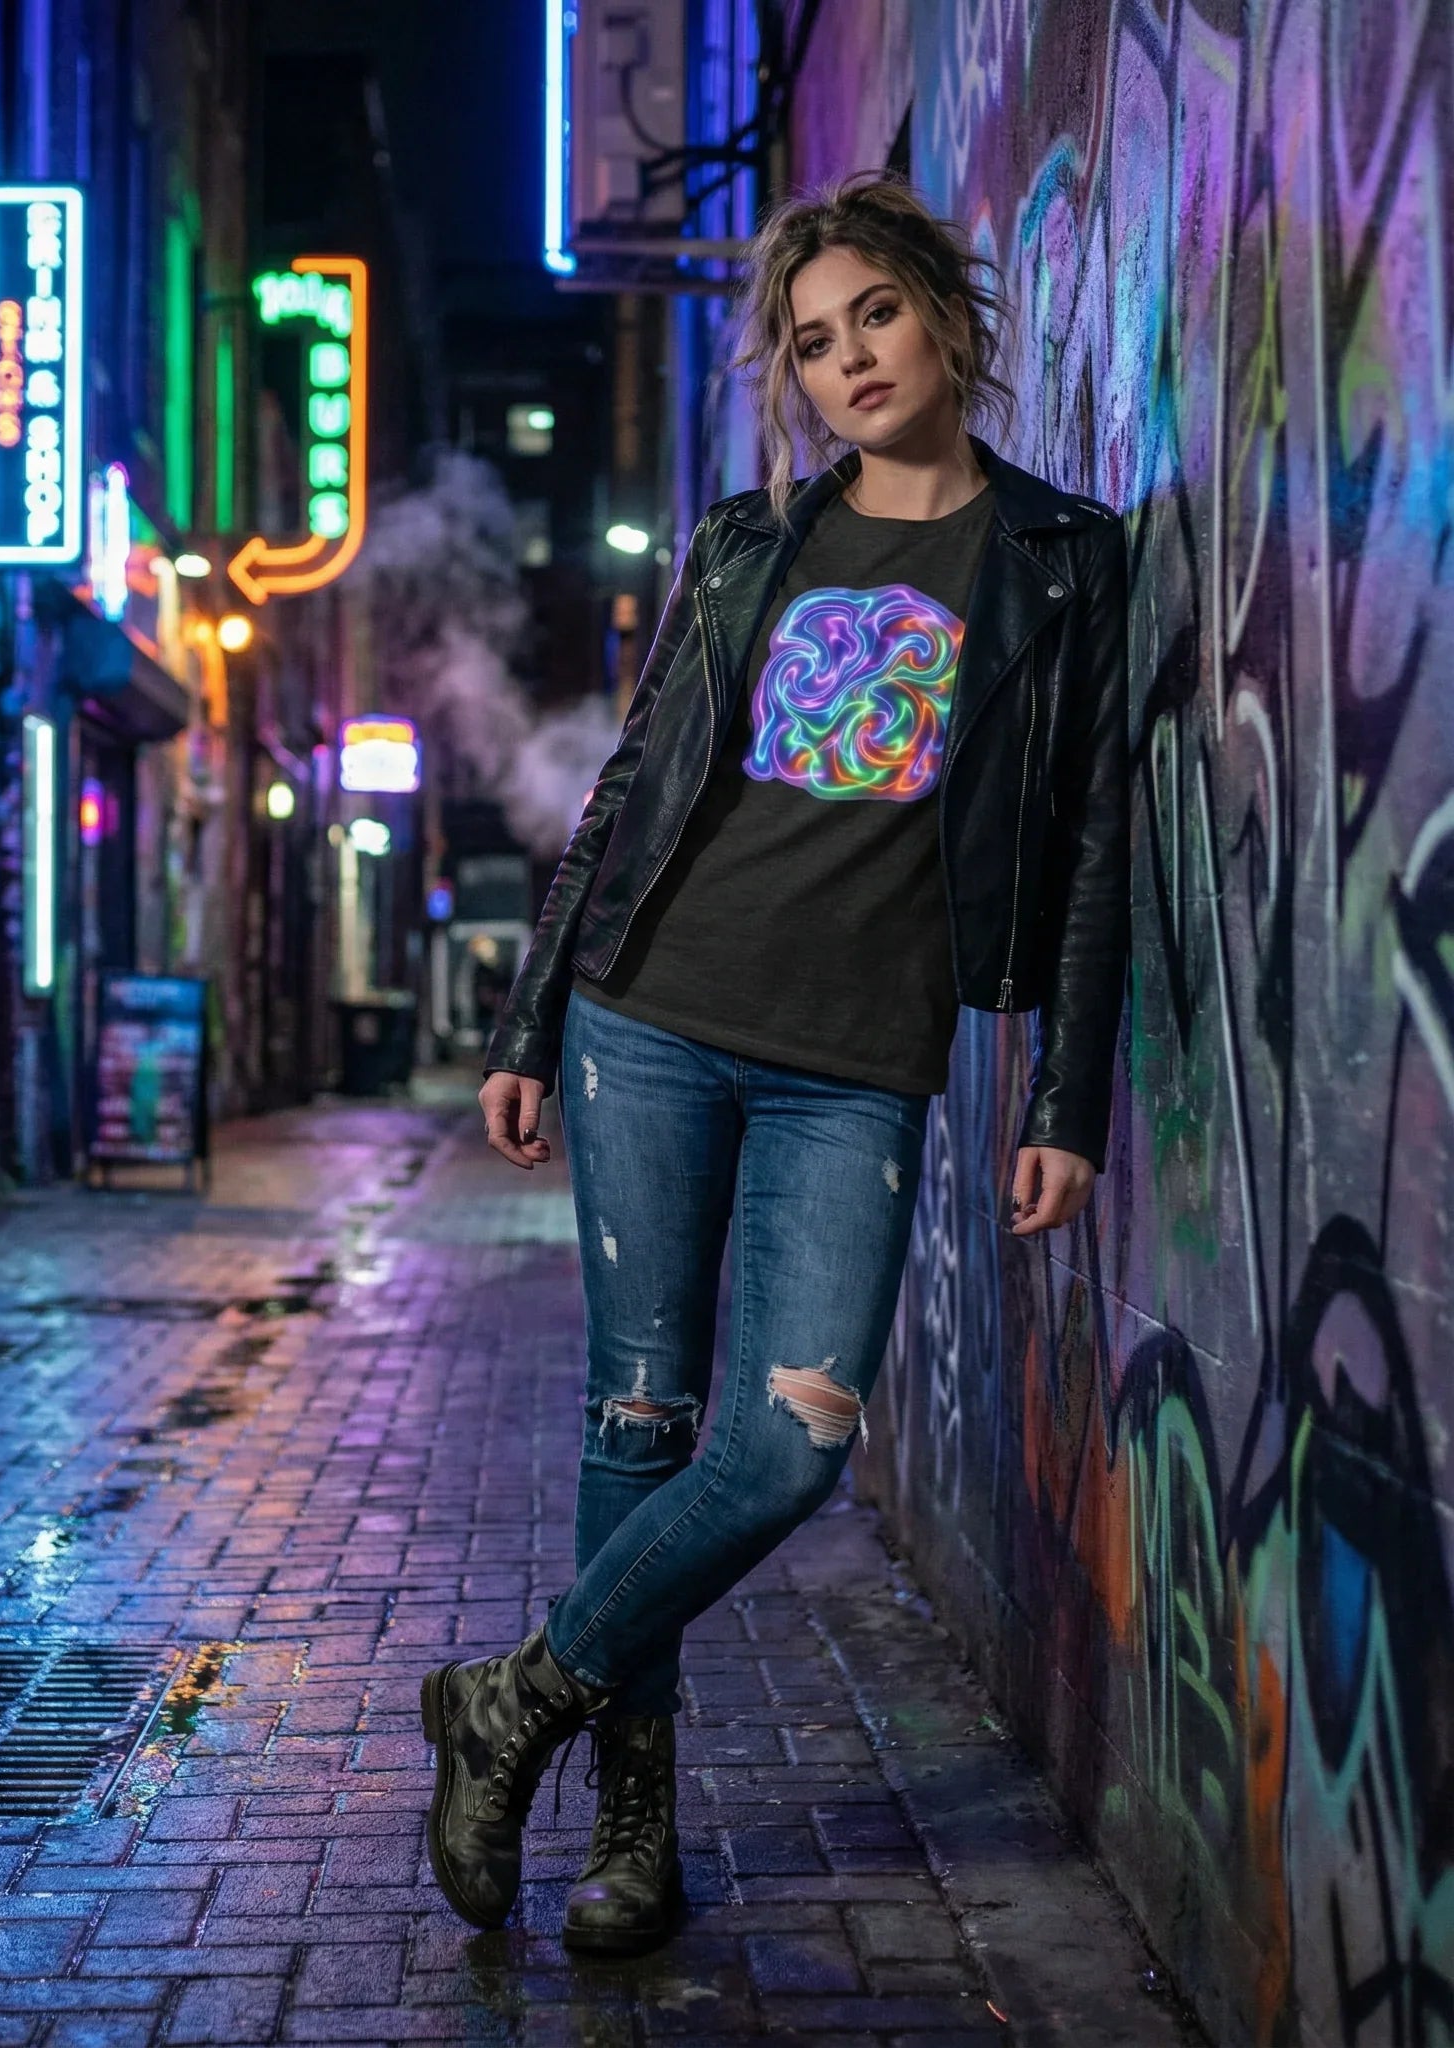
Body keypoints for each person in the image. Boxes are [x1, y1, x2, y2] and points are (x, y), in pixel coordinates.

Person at [420, 172, 1130, 1956]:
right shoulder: (747, 547)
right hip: (648, 1020)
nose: (848, 361)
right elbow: (634, 789)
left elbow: (1098, 836)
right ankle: (636, 1834)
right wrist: (526, 1022)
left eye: (874, 315)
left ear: (949, 317)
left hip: (855, 1069)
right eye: (812, 344)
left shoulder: (1061, 558)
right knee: (638, 1422)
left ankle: (514, 1693)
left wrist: (1066, 1097)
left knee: (795, 1444)